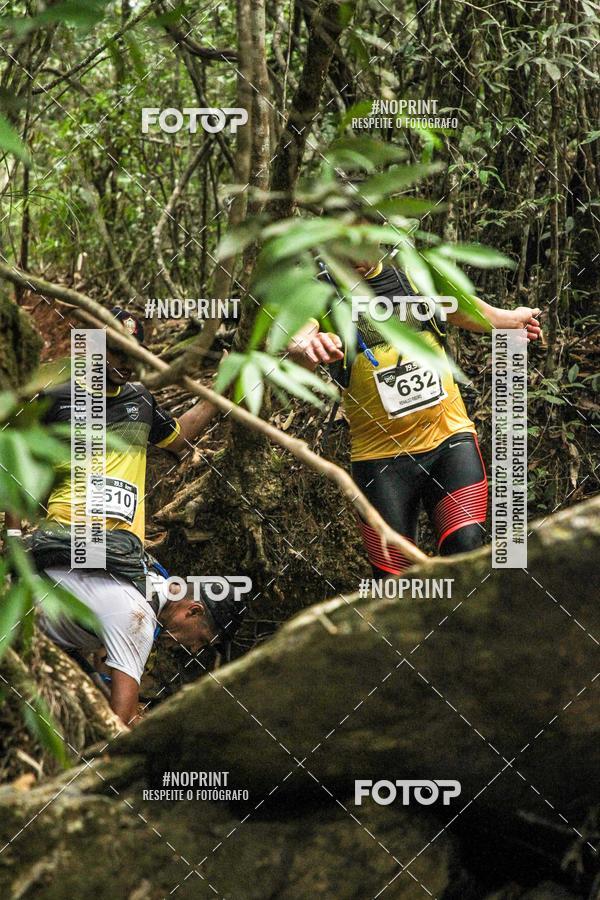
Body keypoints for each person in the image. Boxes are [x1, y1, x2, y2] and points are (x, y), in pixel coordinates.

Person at [289, 256, 542, 578]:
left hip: (450, 441)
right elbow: (296, 341)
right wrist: (307, 347)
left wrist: (510, 319)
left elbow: (461, 308)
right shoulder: (319, 293)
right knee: (393, 580)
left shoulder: (412, 274)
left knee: (466, 550)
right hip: (380, 461)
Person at [7, 307, 218, 583]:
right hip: (62, 541)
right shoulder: (54, 397)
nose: (127, 363)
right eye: (118, 352)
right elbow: (18, 466)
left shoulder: (141, 399)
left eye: (134, 354)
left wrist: (221, 388)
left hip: (122, 551)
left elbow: (178, 437)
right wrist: (13, 540)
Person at [37, 568, 247, 726]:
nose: (194, 649)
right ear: (193, 611)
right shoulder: (139, 620)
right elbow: (119, 721)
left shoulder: (150, 576)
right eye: (202, 640)